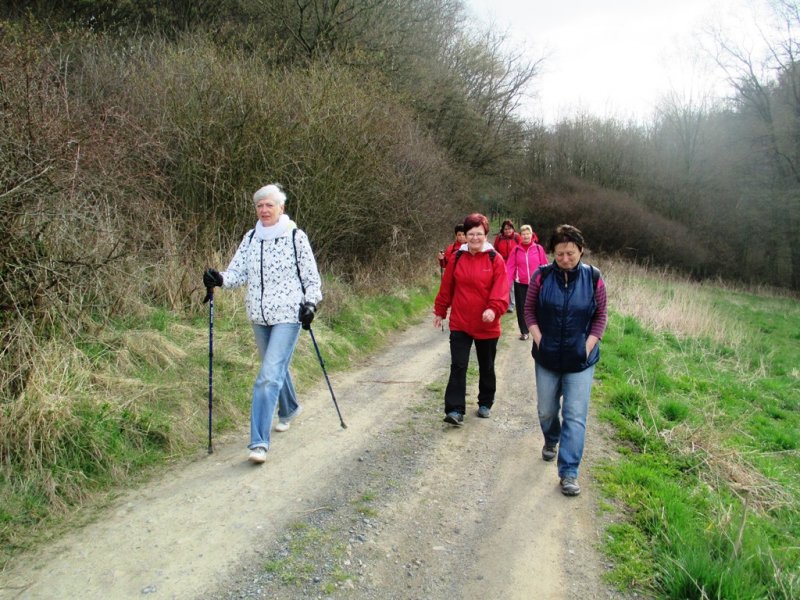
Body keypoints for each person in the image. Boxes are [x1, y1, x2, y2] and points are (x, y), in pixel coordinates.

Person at [203, 184, 322, 464]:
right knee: (274, 367)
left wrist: (310, 304)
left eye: (269, 205)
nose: (264, 210)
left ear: (281, 207)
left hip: (288, 315)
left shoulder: (295, 236)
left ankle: (258, 443)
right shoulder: (251, 237)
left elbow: (311, 278)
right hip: (258, 315)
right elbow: (236, 273)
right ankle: (290, 407)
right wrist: (218, 278)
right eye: (260, 206)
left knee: (268, 376)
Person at [524, 224, 607, 496]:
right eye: (560, 254)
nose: (565, 259)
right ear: (553, 253)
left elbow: (601, 316)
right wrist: (539, 340)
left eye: (570, 253)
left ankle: (569, 472)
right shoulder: (541, 276)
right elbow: (529, 311)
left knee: (575, 415)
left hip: (580, 361)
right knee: (546, 410)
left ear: (581, 251)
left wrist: (587, 346)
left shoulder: (593, 278)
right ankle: (551, 438)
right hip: (547, 357)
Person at [433, 213, 509, 426]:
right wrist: (440, 311)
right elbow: (447, 286)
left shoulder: (495, 259)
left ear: (485, 235)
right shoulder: (457, 257)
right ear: (464, 236)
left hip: (487, 324)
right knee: (458, 365)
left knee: (486, 365)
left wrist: (493, 309)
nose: (475, 238)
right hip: (461, 322)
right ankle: (455, 409)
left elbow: (501, 289)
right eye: (471, 234)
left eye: (479, 234)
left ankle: (485, 402)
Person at [506, 225, 548, 340]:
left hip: (536, 284)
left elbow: (544, 265)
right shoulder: (516, 250)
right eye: (523, 234)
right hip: (520, 284)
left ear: (531, 235)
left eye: (527, 233)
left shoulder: (538, 249)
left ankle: (538, 330)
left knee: (538, 307)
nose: (525, 236)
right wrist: (506, 284)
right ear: (520, 236)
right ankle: (524, 332)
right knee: (522, 309)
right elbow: (510, 267)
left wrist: (546, 281)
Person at [493, 219, 521, 312]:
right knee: (503, 283)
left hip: (515, 263)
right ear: (502, 230)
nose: (508, 231)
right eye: (505, 229)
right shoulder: (499, 238)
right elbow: (495, 250)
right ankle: (504, 303)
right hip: (502, 263)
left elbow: (521, 249)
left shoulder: (517, 237)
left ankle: (511, 305)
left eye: (509, 228)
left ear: (513, 229)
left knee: (512, 284)